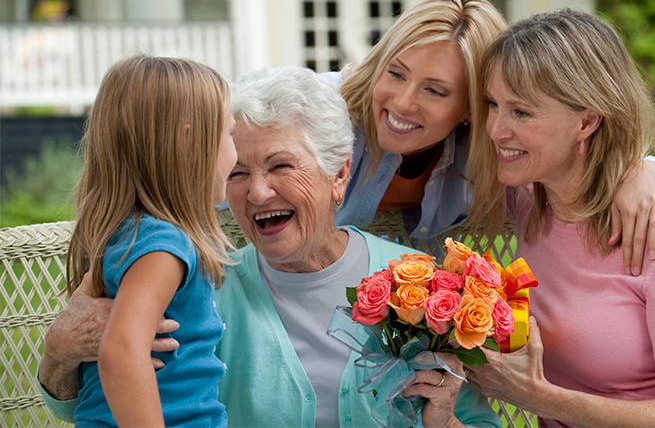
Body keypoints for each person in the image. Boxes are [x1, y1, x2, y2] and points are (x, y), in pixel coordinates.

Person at [39, 66, 501, 428]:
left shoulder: (426, 287)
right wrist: (60, 352)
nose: (257, 193)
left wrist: (445, 422)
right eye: (237, 172)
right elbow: (91, 401)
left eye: (281, 166)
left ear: (339, 174)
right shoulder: (199, 283)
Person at [465, 10, 655, 427]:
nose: (496, 129)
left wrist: (536, 397)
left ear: (588, 120)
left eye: (521, 113)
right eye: (493, 104)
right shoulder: (529, 200)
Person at [321, 0, 655, 273]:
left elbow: (565, 156)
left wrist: (644, 169)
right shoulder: (317, 112)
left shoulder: (487, 150)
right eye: (396, 73)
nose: (402, 103)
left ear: (470, 106)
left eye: (435, 90)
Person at [63, 55, 234, 427]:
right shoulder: (163, 246)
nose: (235, 153)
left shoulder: (131, 234)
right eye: (229, 134)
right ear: (191, 144)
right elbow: (121, 351)